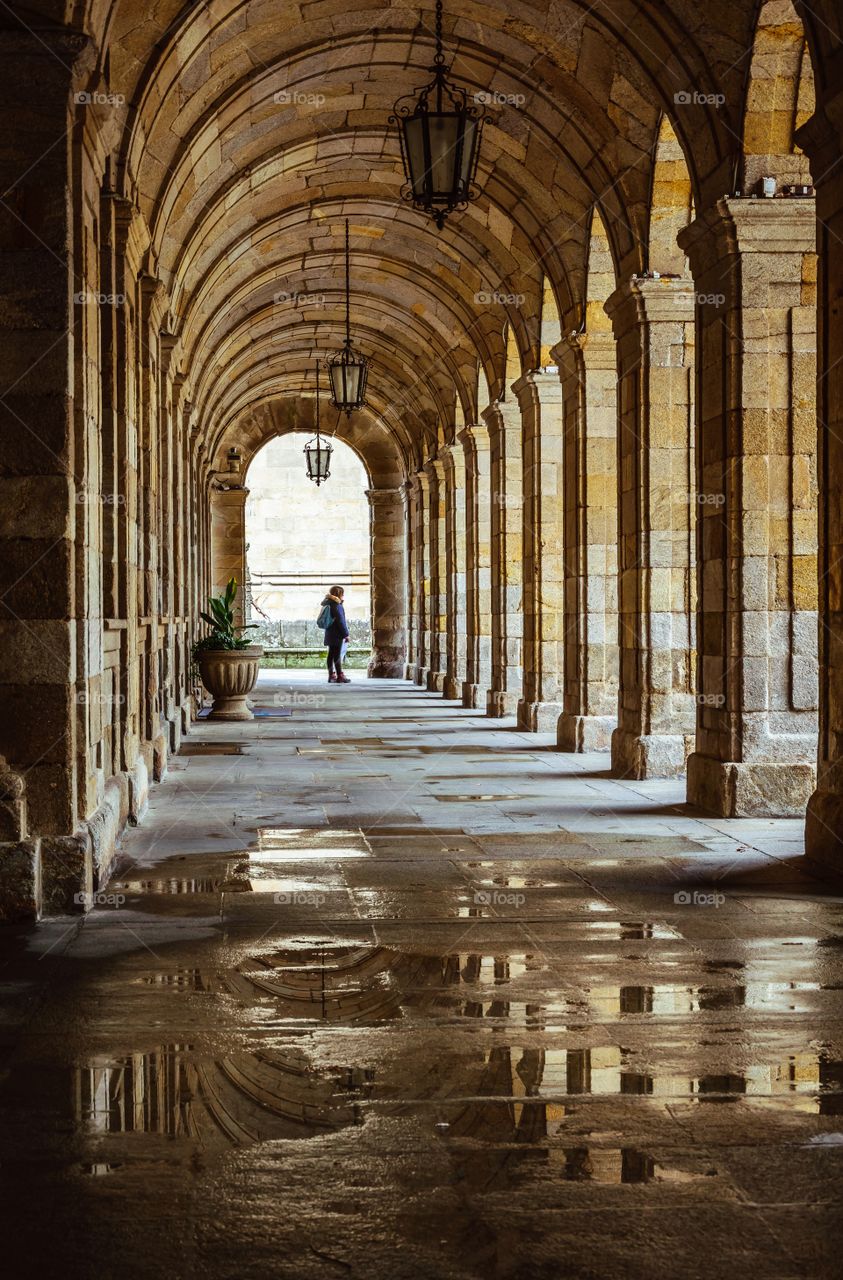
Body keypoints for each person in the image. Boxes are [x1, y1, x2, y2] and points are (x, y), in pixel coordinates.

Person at [322, 585, 351, 684]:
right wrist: (346, 634)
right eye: (342, 594)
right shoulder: (336, 605)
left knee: (331, 654)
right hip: (337, 634)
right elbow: (340, 621)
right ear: (339, 594)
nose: (343, 596)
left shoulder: (328, 603)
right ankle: (340, 676)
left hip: (329, 632)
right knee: (337, 655)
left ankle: (331, 675)